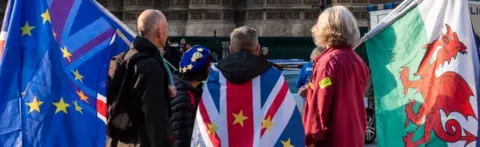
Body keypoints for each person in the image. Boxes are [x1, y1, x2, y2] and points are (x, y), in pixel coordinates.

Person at [190, 26, 304, 146]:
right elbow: (287, 122)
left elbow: (204, 124)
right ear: (258, 49)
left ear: (231, 49)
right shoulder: (274, 77)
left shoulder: (214, 78)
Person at [304, 6, 369, 147]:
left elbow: (320, 108)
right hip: (354, 136)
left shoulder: (328, 63)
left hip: (332, 138)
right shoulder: (358, 61)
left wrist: (311, 139)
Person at [107, 9, 173, 147]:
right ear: (160, 31)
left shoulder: (121, 59)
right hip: (140, 141)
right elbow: (155, 118)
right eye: (166, 28)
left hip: (116, 139)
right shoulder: (151, 66)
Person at [170, 45, 213, 147]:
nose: (211, 67)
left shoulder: (192, 89)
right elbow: (180, 138)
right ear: (200, 70)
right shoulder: (182, 98)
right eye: (208, 65)